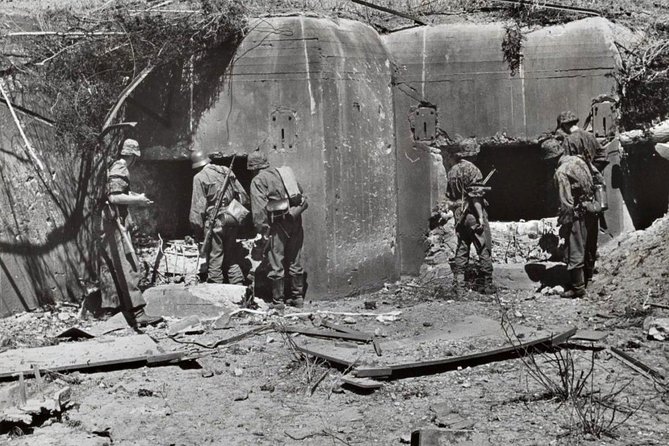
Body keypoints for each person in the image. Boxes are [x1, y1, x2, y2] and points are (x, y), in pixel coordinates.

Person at [98, 139, 162, 327]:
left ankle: (111, 309)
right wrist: (138, 201)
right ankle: (137, 312)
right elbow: (114, 197)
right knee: (128, 264)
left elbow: (116, 191)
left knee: (110, 265)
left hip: (107, 222)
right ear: (133, 156)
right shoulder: (121, 167)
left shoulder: (112, 166)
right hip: (116, 221)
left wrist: (136, 196)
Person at [248, 150, 308, 308]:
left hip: (277, 225)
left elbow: (259, 210)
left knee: (276, 263)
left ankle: (278, 302)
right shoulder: (284, 173)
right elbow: (300, 192)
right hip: (295, 219)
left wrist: (262, 231)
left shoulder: (258, 180)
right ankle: (298, 298)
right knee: (295, 260)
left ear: (253, 167)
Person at [541, 138, 597, 298]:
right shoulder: (579, 160)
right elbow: (598, 177)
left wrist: (564, 223)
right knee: (589, 247)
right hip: (592, 208)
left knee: (575, 249)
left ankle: (578, 288)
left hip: (578, 213)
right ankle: (589, 280)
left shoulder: (561, 172)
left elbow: (566, 202)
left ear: (551, 158)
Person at [557, 110, 608, 283]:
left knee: (577, 240)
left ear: (565, 125)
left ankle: (578, 283)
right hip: (594, 190)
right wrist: (591, 171)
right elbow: (603, 156)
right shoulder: (590, 136)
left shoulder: (569, 141)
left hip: (578, 194)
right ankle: (589, 274)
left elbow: (568, 166)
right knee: (591, 237)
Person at [189, 150, 249, 284]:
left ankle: (216, 288)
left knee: (215, 257)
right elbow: (243, 197)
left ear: (197, 165)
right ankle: (238, 285)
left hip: (215, 222)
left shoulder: (199, 177)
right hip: (232, 218)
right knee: (231, 256)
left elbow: (197, 210)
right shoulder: (226, 171)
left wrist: (197, 231)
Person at [445, 138, 495, 295]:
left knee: (462, 247)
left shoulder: (452, 171)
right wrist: (480, 217)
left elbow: (449, 197)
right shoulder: (473, 170)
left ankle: (459, 286)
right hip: (472, 213)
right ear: (472, 154)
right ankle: (486, 285)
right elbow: (476, 197)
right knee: (483, 247)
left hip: (459, 214)